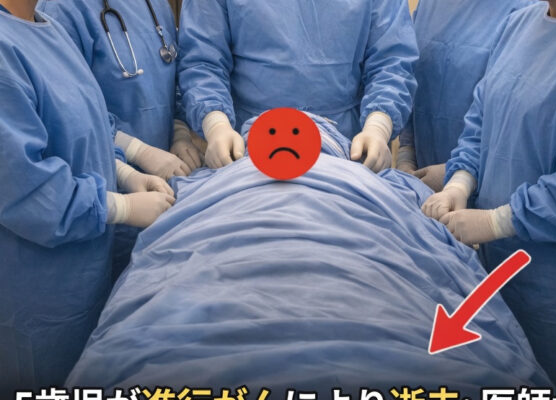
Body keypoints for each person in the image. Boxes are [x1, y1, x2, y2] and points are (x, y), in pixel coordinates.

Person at [422, 0, 556, 390]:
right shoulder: (519, 24)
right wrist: (460, 181)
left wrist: (499, 220)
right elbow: (480, 122)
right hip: (498, 269)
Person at [0, 0, 175, 394]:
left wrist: (126, 173)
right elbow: (27, 191)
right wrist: (121, 206)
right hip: (34, 293)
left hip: (80, 273)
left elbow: (87, 128)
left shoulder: (46, 27)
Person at [37, 0, 203, 272]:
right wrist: (137, 151)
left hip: (162, 192)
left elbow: (167, 78)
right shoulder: (63, 10)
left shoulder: (154, 5)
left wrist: (180, 130)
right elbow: (67, 118)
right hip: (96, 197)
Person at [178, 0, 418, 173]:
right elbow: (203, 60)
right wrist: (216, 125)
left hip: (347, 151)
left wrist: (378, 126)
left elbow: (391, 61)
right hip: (247, 151)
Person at [397, 0, 533, 189]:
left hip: (484, 187)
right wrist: (406, 152)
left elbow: (517, 118)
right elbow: (412, 76)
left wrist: (461, 174)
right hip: (420, 179)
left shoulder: (525, 9)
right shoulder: (429, 5)